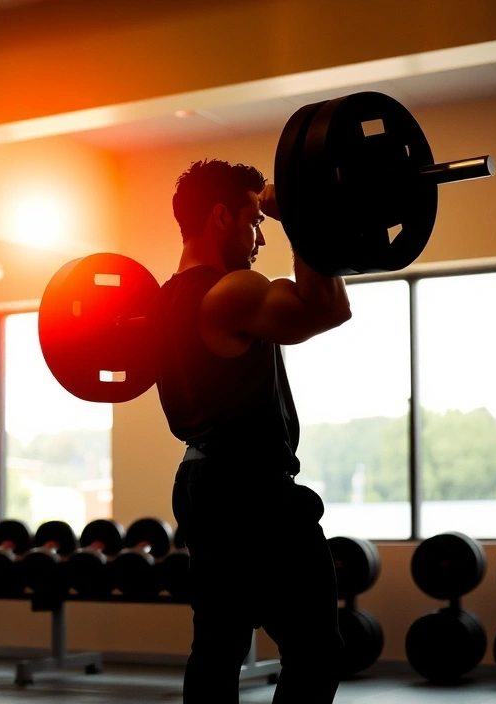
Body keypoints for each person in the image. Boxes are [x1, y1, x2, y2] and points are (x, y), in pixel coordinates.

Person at [150, 160, 351, 703]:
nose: (261, 236)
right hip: (250, 488)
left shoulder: (163, 301)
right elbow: (328, 308)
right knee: (317, 650)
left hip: (199, 482)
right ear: (220, 216)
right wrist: (301, 218)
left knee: (218, 649)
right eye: (254, 220)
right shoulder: (230, 291)